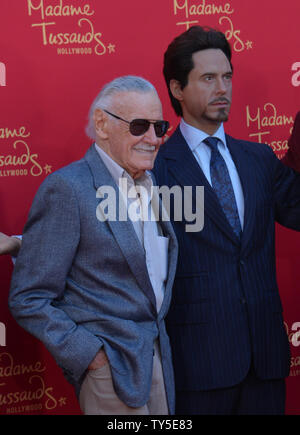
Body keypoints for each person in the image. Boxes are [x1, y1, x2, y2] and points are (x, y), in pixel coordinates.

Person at [8, 75, 178, 415]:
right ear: (102, 125)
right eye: (139, 126)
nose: (153, 138)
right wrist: (90, 357)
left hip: (157, 357)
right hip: (110, 370)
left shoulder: (150, 183)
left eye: (159, 127)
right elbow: (28, 297)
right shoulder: (68, 189)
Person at [153, 26, 300, 415]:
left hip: (266, 360)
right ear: (177, 88)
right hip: (199, 365)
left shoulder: (259, 159)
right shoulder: (157, 170)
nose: (223, 88)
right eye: (208, 78)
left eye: (227, 77)